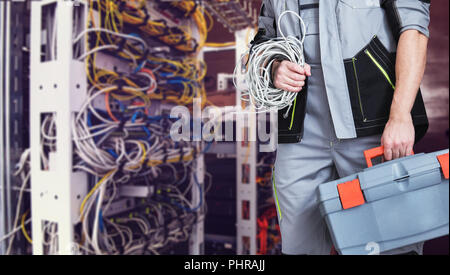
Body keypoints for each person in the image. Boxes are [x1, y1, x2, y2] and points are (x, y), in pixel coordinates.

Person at [252, 0, 431, 255]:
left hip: (373, 128)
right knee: (300, 246)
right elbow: (263, 42)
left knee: (392, 241)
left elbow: (414, 30)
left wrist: (401, 115)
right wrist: (274, 68)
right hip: (302, 134)